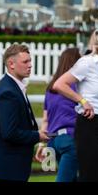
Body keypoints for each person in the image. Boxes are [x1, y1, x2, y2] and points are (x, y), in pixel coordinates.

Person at [53, 29, 98, 182]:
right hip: (89, 125)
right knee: (90, 176)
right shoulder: (86, 63)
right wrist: (82, 101)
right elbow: (59, 84)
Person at [0, 44, 49, 182]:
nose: (30, 65)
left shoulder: (14, 86)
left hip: (14, 163)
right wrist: (37, 136)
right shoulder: (8, 92)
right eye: (25, 62)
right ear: (11, 64)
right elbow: (9, 132)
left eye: (30, 61)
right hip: (10, 165)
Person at [35, 48, 81, 182]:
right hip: (70, 140)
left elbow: (46, 120)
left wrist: (42, 145)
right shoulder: (76, 87)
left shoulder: (50, 89)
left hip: (54, 141)